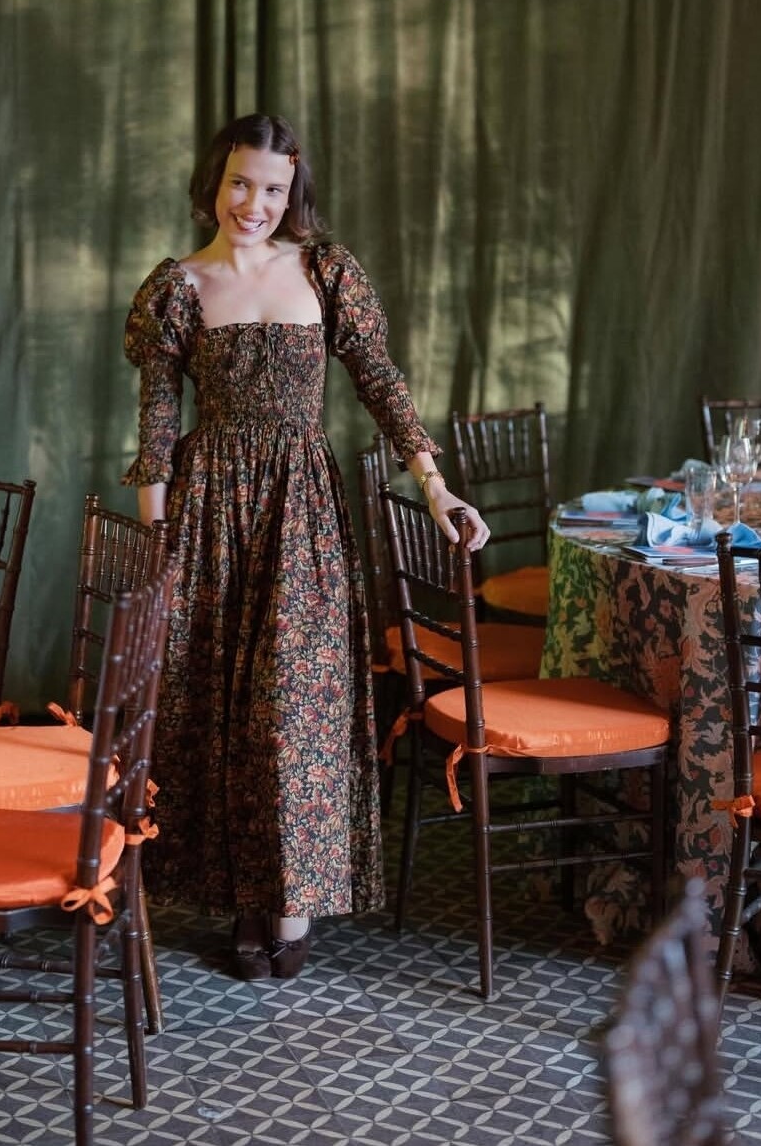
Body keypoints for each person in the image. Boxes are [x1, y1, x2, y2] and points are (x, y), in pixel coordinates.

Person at [122, 112, 489, 980]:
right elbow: (157, 425)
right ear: (214, 182)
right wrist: (157, 542)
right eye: (240, 183)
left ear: (293, 194)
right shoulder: (176, 286)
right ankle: (245, 892)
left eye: (273, 189)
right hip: (210, 511)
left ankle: (290, 899)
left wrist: (433, 483)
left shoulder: (325, 270)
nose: (254, 204)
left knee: (294, 706)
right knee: (220, 704)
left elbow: (379, 382)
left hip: (301, 511)